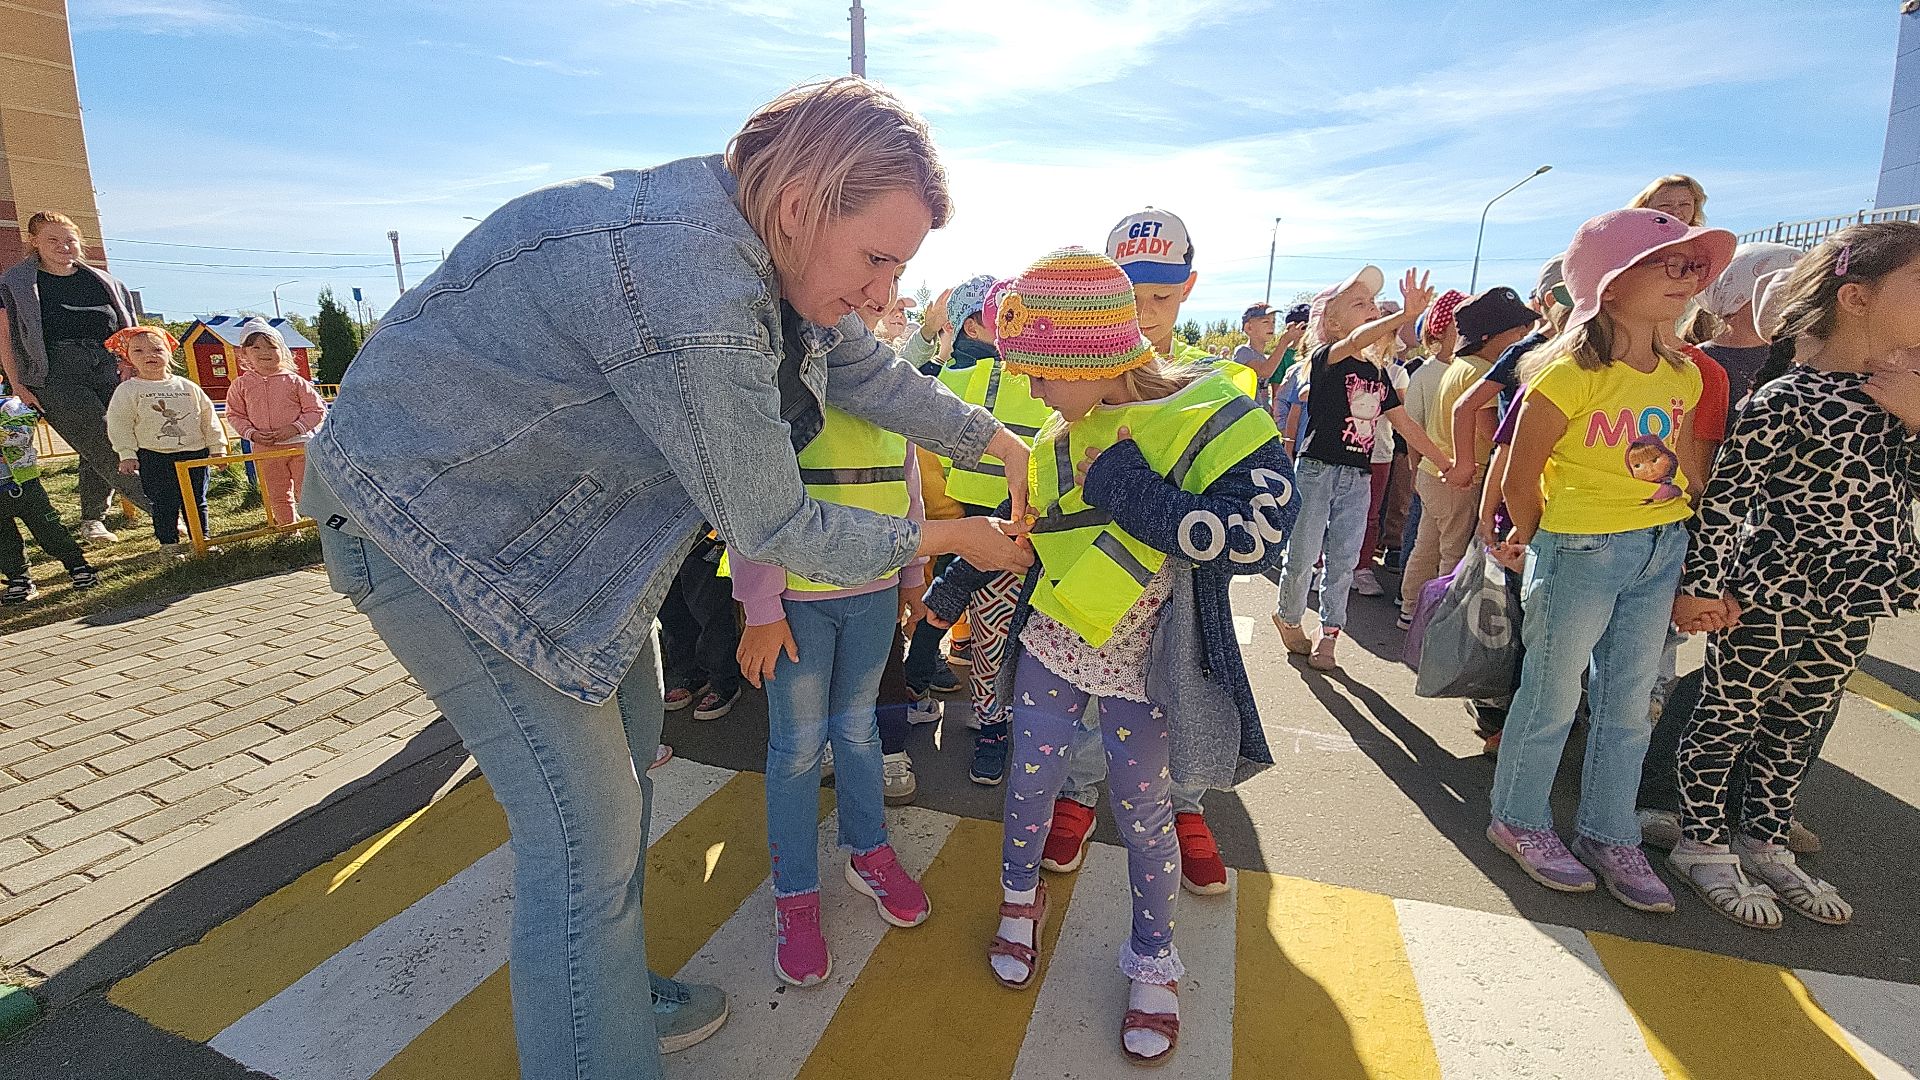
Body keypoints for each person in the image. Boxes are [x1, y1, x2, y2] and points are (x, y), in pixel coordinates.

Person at [298, 77, 1036, 1080]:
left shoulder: (750, 238)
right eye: (875, 259)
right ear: (798, 207)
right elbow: (775, 521)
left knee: (633, 759)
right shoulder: (695, 286)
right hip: (431, 541)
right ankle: (592, 1027)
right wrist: (950, 537)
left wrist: (996, 438)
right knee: (583, 844)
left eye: (899, 268)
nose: (879, 292)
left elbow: (856, 363)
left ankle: (602, 988)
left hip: (545, 544)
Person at [922, 248, 1294, 1065]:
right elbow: (1038, 540)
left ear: (1091, 359)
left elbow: (1263, 536)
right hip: (1053, 646)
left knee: (1146, 811)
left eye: (1041, 373)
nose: (1029, 391)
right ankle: (1019, 902)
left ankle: (1155, 959)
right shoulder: (1060, 434)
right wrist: (951, 585)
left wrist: (1131, 487)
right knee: (1029, 780)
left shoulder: (1209, 416)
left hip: (1146, 669)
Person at [1665, 222, 1920, 930]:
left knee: (1797, 723)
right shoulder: (1785, 399)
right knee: (1727, 715)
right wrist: (1703, 587)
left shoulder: (1898, 396)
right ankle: (1701, 841)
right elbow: (1726, 504)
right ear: (1857, 297)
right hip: (1768, 593)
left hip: (1856, 593)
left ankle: (1766, 839)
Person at [1485, 207, 1734, 913]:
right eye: (1671, 263)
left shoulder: (1686, 375)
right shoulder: (1567, 373)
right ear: (1612, 283)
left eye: (1695, 265)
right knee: (1552, 695)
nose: (1689, 279)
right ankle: (1520, 819)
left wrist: (1698, 556)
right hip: (1579, 550)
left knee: (1630, 703)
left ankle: (1607, 831)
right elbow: (1518, 474)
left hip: (1662, 544)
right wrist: (1538, 543)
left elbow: (1686, 473)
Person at [1040, 207, 1242, 896]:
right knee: (1091, 684)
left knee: (1177, 685)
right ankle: (1080, 785)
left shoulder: (1207, 390)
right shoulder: (1078, 387)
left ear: (1189, 287)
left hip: (1177, 594)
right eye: (1128, 298)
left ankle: (1185, 802)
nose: (1145, 312)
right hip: (1091, 594)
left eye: (1159, 296)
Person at [730, 400, 933, 986]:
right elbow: (749, 499)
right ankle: (795, 893)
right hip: (795, 605)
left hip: (874, 595)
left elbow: (908, 487)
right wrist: (761, 607)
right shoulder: (777, 381)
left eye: (889, 296)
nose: (877, 301)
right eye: (864, 295)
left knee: (858, 730)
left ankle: (868, 849)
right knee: (795, 750)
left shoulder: (895, 389)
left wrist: (912, 578)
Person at [1272, 266, 1452, 671]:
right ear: (1332, 323)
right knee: (1302, 556)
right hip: (1317, 470)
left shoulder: (1378, 374)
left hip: (1358, 476)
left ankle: (1330, 634)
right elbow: (1356, 340)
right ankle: (1288, 615)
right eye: (1359, 303)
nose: (1371, 309)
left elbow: (1405, 423)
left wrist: (1445, 463)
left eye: (1373, 304)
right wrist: (1404, 315)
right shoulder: (1326, 359)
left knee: (1344, 561)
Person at [931, 273, 1050, 785]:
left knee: (1033, 639)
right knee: (993, 635)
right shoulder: (959, 379)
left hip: (1052, 533)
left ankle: (1023, 719)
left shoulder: (1056, 374)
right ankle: (991, 723)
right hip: (990, 532)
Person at [0, 212, 153, 541]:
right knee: (102, 441)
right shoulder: (15, 284)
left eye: (69, 239)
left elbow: (129, 328)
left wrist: (129, 362)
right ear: (34, 243)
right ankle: (165, 510)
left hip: (110, 366)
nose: (63, 246)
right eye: (52, 240)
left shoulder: (103, 281)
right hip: (55, 371)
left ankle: (91, 519)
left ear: (80, 242)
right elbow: (6, 339)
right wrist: (18, 384)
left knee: (113, 439)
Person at [103, 326, 225, 553]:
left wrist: (217, 448)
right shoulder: (128, 390)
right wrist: (127, 454)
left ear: (169, 352)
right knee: (164, 502)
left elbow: (208, 418)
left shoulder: (187, 387)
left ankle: (202, 540)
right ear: (128, 357)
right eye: (138, 351)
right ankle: (169, 544)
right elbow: (119, 424)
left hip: (193, 453)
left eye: (157, 349)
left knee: (196, 500)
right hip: (154, 455)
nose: (149, 355)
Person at [1394, 289, 1466, 628]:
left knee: (1427, 542)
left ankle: (1410, 607)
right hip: (1447, 472)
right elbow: (1412, 427)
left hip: (1429, 470)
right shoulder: (1451, 373)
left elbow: (1413, 426)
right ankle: (1437, 618)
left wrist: (1415, 469)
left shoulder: (1426, 373)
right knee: (1448, 548)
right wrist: (1414, 467)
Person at [223, 318, 326, 528]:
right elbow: (235, 415)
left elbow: (316, 410)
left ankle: (321, 528)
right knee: (276, 492)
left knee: (307, 488)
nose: (265, 352)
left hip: (299, 445)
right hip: (265, 448)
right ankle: (288, 528)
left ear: (283, 351)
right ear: (243, 353)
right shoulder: (241, 385)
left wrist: (294, 428)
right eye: (256, 347)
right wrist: (251, 433)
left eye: (272, 347)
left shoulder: (295, 381)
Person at [1, 393, 96, 602]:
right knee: (4, 541)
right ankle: (18, 578)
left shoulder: (11, 406)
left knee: (49, 530)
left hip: (24, 486)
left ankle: (78, 566)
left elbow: (22, 434)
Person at [1695, 242, 1803, 404]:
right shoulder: (1697, 363)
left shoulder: (1800, 357)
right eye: (1777, 292)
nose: (1792, 303)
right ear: (1735, 300)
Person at [658, 537, 743, 719]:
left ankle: (724, 683)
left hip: (704, 533)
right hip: (658, 534)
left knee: (710, 609)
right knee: (671, 608)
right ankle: (693, 675)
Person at [1233, 302, 1304, 408]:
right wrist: (1284, 341)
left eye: (1273, 321)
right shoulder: (1243, 351)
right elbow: (1265, 372)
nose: (1272, 326)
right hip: (1244, 412)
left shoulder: (1265, 358)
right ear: (1249, 328)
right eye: (1265, 322)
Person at [1629, 174, 1709, 226]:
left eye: (1684, 204)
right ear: (1645, 207)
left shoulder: (1704, 245)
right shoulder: (1629, 239)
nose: (1676, 211)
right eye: (1665, 205)